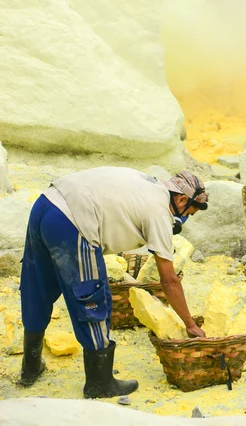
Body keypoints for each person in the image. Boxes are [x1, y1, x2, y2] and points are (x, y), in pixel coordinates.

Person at [18, 167, 209, 398]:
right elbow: (169, 281)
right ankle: (100, 383)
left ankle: (30, 368)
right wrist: (189, 323)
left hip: (46, 203)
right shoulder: (159, 213)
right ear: (180, 199)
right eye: (190, 212)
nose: (185, 218)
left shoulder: (150, 185)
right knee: (92, 298)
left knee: (38, 284)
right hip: (73, 221)